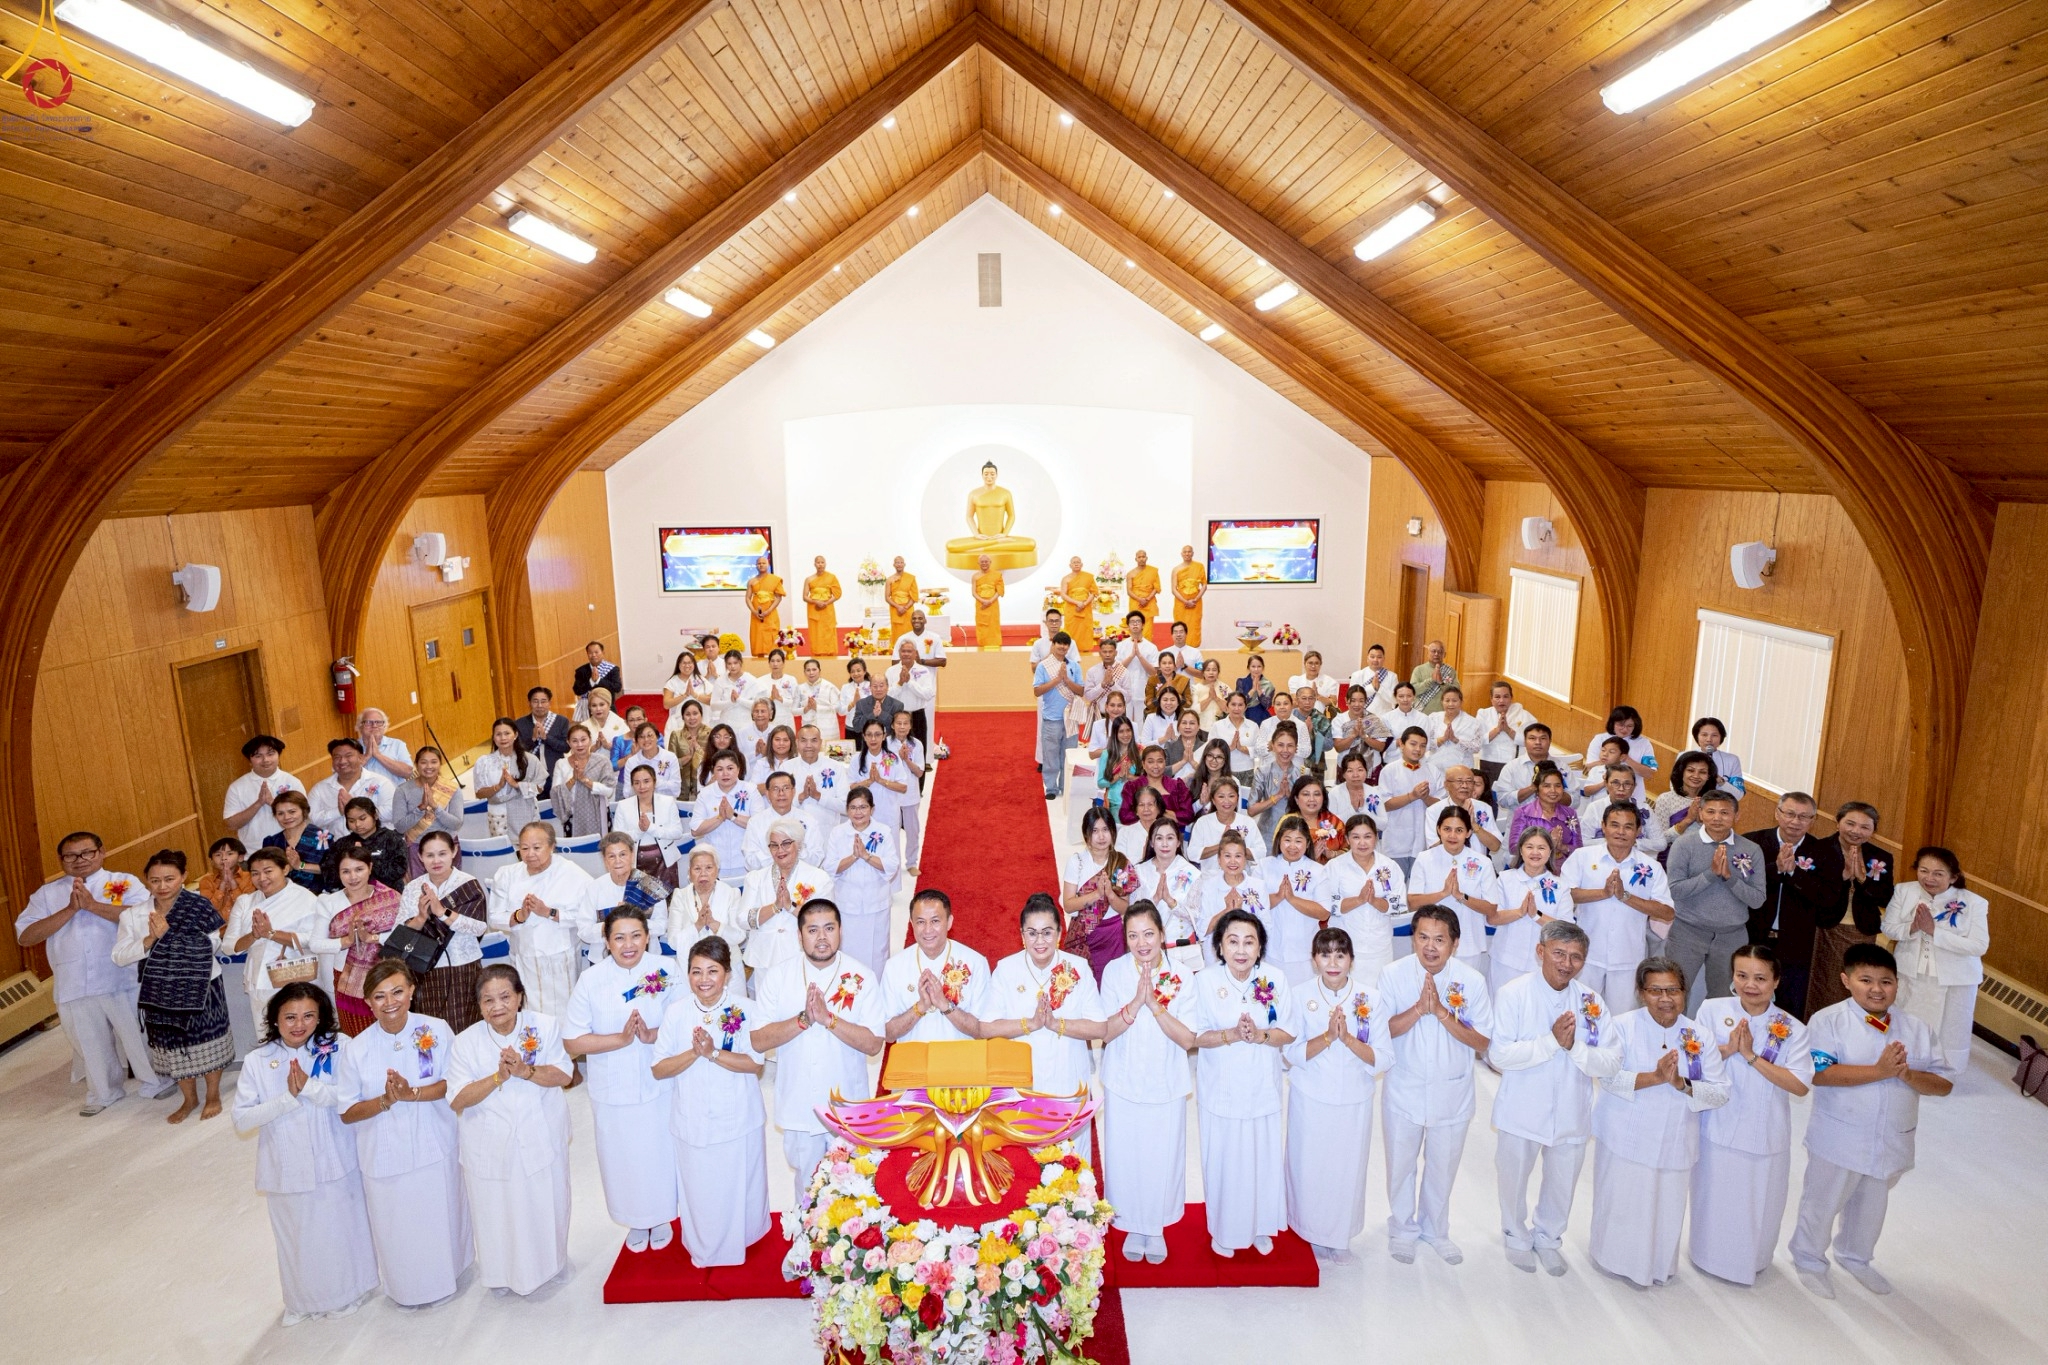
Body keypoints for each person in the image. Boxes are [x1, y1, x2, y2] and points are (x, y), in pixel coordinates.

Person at [1788, 943, 1952, 1299]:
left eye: (1886, 981)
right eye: (1866, 980)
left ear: (1898, 984)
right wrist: (1879, 1071)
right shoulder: (1827, 1020)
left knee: (1872, 1203)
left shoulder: (1916, 1028)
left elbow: (1943, 1084)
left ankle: (1856, 1256)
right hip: (1839, 1135)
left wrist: (1907, 1076)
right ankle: (1809, 1258)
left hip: (1892, 1137)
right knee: (1823, 1200)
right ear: (1847, 980)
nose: (1877, 989)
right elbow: (1820, 1074)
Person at [233, 983, 379, 1325]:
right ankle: (302, 1301)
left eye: (309, 1016)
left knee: (340, 1230)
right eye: (290, 1017)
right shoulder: (258, 1060)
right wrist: (288, 1098)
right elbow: (242, 1120)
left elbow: (349, 1097)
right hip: (285, 1167)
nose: (299, 1024)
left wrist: (310, 1088)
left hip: (334, 1158)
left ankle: (349, 1293)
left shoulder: (339, 1047)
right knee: (297, 1238)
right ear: (275, 1019)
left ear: (321, 1017)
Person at [1491, 920, 1623, 1275]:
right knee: (1513, 1177)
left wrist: (1574, 1047)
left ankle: (1549, 1238)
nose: (1566, 963)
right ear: (1540, 952)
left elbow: (1612, 1061)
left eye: (1576, 957)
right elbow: (1499, 1055)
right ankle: (1515, 1235)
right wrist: (1551, 1043)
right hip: (1522, 1106)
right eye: (1559, 953)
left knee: (1562, 1181)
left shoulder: (1591, 1002)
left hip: (1571, 1107)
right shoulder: (1513, 993)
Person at [1590, 956, 1731, 1287]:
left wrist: (1682, 1084)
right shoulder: (1621, 1026)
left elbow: (1720, 1093)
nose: (1666, 998)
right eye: (1656, 990)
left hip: (1675, 1140)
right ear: (1641, 992)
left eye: (1673, 990)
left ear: (1684, 992)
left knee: (1665, 1209)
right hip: (1627, 1136)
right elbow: (1607, 1078)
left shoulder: (1700, 1035)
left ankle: (1656, 1266)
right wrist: (1655, 1077)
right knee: (1623, 1203)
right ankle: (1612, 1260)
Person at [337, 960, 469, 1308]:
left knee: (439, 1214)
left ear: (412, 990)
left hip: (433, 1141)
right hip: (384, 1153)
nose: (390, 1002)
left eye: (397, 991)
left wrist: (411, 1094)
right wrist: (385, 1100)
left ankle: (449, 1274)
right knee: (397, 1225)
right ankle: (407, 1287)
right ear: (367, 1003)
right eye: (379, 996)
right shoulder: (356, 1048)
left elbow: (451, 1083)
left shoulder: (437, 1029)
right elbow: (347, 1112)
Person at [1690, 943, 1814, 1285]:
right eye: (1742, 975)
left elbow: (1800, 1085)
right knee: (1713, 1196)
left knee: (1757, 1203)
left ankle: (1753, 1260)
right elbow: (1694, 1059)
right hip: (1718, 1124)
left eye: (1760, 978)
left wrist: (1750, 1056)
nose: (1750, 985)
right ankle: (1706, 1256)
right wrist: (1729, 1048)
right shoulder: (1712, 1010)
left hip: (1764, 1131)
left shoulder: (1792, 1028)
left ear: (1776, 981)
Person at [448, 964, 573, 1297]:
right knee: (496, 1211)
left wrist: (525, 1070)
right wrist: (498, 1078)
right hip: (489, 1143)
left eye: (505, 996)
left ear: (520, 997)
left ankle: (551, 1265)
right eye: (488, 1000)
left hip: (540, 1132)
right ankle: (501, 1274)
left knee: (544, 1202)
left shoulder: (544, 1026)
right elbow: (457, 1099)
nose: (497, 1006)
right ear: (479, 1006)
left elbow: (564, 1075)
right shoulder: (464, 1042)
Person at [1378, 906, 1494, 1264]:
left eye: (1439, 939)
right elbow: (1381, 1031)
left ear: (1455, 944)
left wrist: (1442, 1012)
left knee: (1443, 1164)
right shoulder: (1393, 974)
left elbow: (1482, 1042)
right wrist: (1418, 1009)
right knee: (1401, 1163)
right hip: (1404, 1086)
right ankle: (1402, 1228)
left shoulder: (1471, 980)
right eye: (1423, 937)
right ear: (1413, 939)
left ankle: (1435, 1229)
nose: (1430, 947)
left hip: (1452, 1090)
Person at [565, 906, 679, 1255]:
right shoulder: (592, 979)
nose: (628, 944)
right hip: (611, 1084)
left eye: (635, 936)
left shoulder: (665, 969)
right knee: (621, 1154)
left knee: (658, 1149)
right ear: (606, 941)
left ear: (647, 936)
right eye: (619, 937)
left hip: (657, 1078)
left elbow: (685, 1023)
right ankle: (634, 1217)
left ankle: (661, 1214)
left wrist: (650, 1035)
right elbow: (572, 1041)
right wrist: (619, 1039)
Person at [651, 935, 769, 1264]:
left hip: (738, 1115)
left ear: (728, 974)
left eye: (712, 971)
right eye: (696, 971)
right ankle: (703, 1243)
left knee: (737, 1183)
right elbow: (659, 1069)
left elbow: (755, 1064)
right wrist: (695, 1052)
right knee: (700, 1187)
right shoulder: (675, 1013)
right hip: (691, 1118)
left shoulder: (746, 1010)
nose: (704, 980)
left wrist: (713, 1053)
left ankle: (744, 1238)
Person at [749, 900, 886, 1183]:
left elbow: (874, 1044)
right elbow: (758, 1040)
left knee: (852, 1192)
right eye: (812, 930)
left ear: (840, 931)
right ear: (799, 936)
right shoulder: (778, 976)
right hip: (799, 1105)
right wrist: (803, 1020)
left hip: (848, 1106)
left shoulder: (863, 976)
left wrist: (829, 1020)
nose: (821, 938)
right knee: (807, 1188)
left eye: (829, 928)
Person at [1190, 909, 1298, 1257]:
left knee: (1261, 1159)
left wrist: (1261, 1034)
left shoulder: (1275, 978)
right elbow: (1196, 1036)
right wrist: (1233, 1034)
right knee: (1225, 1160)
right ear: (1219, 947)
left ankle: (1260, 1224)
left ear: (1260, 947)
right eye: (1232, 941)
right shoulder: (1205, 981)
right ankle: (1224, 1230)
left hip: (1261, 1089)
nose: (1241, 949)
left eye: (1249, 942)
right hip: (1220, 1090)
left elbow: (1289, 1031)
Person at [1099, 902, 1199, 1262]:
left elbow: (1188, 1039)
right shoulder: (1114, 972)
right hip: (1123, 1077)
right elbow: (1106, 1031)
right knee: (1126, 1155)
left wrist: (1154, 1004)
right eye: (1133, 935)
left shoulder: (1183, 977)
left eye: (1148, 934)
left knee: (1161, 1156)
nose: (1141, 943)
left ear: (1161, 934)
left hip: (1165, 1079)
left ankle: (1154, 1227)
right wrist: (1134, 1003)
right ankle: (1130, 1223)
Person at [1286, 926, 1388, 1262]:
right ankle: (1308, 1230)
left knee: (1347, 1169)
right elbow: (1291, 1054)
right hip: (1311, 1097)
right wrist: (1329, 1037)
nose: (1333, 962)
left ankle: (1339, 1234)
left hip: (1353, 1100)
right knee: (1310, 1167)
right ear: (1314, 960)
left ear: (1352, 961)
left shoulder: (1369, 999)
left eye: (1340, 955)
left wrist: (1347, 1040)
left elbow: (1385, 1057)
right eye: (1325, 954)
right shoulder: (1299, 995)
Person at [982, 895, 1108, 1155]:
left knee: (1071, 1171)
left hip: (1069, 1085)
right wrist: (1031, 1023)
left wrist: (1055, 1023)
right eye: (1032, 933)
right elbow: (987, 1028)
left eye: (1047, 932)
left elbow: (1099, 1028)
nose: (1040, 941)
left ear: (1060, 933)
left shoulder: (1078, 968)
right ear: (1022, 935)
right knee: (1026, 1171)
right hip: (1023, 1088)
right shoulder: (1006, 969)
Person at [114, 849, 233, 1123]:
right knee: (172, 1046)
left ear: (183, 877)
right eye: (155, 880)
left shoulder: (199, 906)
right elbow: (119, 956)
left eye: (169, 879)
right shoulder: (133, 916)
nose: (162, 886)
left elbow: (214, 943)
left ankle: (212, 1094)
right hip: (160, 990)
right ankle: (189, 1098)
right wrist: (149, 940)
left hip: (202, 984)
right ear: (146, 881)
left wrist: (170, 938)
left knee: (208, 1039)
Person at [1880, 846, 1988, 1074]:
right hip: (1912, 971)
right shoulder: (1903, 891)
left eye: (1938, 874)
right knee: (1911, 1023)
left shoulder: (1974, 902)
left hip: (1955, 977)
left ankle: (1944, 1073)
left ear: (1953, 877)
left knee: (1951, 1028)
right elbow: (1888, 927)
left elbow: (1979, 946)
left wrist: (1934, 932)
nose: (1929, 878)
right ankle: (1905, 1067)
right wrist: (1912, 927)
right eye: (1923, 871)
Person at [1565, 804, 1674, 1006]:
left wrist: (1625, 896)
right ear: (1603, 827)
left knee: (1622, 1023)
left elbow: (1667, 912)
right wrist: (1603, 893)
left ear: (1638, 831)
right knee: (1582, 1018)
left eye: (1628, 827)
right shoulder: (1582, 857)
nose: (1621, 832)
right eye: (1614, 825)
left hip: (1628, 958)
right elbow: (1565, 895)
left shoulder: (1651, 866)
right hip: (1586, 957)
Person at [1666, 791, 1769, 1002]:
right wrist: (1710, 875)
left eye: (1724, 812)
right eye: (1711, 811)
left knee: (1724, 1000)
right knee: (1676, 993)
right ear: (1700, 814)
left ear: (1736, 816)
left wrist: (1730, 878)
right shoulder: (1684, 845)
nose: (1717, 818)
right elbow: (1675, 890)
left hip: (1732, 936)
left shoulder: (1751, 849)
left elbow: (1757, 899)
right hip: (1687, 932)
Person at [1747, 791, 1840, 1017]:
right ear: (1777, 813)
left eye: (1803, 817)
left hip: (1796, 942)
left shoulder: (1825, 852)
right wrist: (1776, 869)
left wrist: (1794, 874)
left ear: (1813, 821)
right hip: (1754, 933)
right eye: (1789, 814)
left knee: (1790, 1006)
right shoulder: (1753, 842)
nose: (1795, 821)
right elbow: (1743, 882)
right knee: (1749, 996)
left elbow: (1827, 898)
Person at [487, 822, 595, 1017]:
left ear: (552, 846)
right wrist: (520, 916)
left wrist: (549, 912)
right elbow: (494, 917)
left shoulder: (572, 874)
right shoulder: (507, 874)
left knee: (564, 1013)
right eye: (524, 848)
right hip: (523, 957)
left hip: (560, 957)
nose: (530, 854)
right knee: (530, 1014)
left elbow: (586, 916)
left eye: (537, 848)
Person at [227, 847, 334, 1037]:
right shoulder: (245, 902)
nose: (262, 878)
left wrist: (271, 933)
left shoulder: (305, 898)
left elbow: (314, 939)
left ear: (285, 869)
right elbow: (229, 947)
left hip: (298, 979)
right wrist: (255, 935)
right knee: (268, 1039)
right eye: (255, 873)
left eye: (268, 871)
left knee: (306, 1036)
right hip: (261, 983)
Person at [391, 831, 487, 1033]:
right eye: (429, 855)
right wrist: (420, 917)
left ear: (454, 852)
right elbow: (398, 934)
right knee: (430, 1031)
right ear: (420, 857)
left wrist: (443, 913)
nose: (436, 861)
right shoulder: (413, 887)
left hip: (463, 967)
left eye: (442, 853)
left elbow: (479, 927)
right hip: (424, 969)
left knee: (464, 1028)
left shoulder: (468, 884)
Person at [1810, 801, 1894, 1015]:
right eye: (1850, 823)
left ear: (1873, 831)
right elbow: (1814, 894)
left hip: (1862, 930)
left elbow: (1886, 898)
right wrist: (1843, 878)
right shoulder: (1819, 849)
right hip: (1827, 928)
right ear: (1837, 822)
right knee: (1826, 985)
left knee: (1860, 986)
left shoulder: (1881, 857)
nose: (1856, 831)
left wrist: (1863, 879)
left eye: (1865, 827)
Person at [882, 889, 992, 1042]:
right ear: (912, 924)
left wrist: (945, 1005)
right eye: (921, 922)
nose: (927, 930)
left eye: (935, 921)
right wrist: (920, 1007)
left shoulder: (975, 963)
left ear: (949, 922)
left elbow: (982, 1031)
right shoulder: (894, 967)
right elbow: (887, 1034)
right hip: (913, 1061)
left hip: (961, 1060)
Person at [739, 815, 836, 975]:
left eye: (786, 844)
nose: (780, 850)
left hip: (802, 955)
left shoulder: (818, 877)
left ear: (798, 845)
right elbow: (743, 920)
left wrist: (790, 907)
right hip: (764, 958)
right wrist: (775, 907)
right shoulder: (756, 877)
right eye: (774, 845)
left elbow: (824, 920)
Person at [322, 845, 403, 1035]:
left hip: (387, 973)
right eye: (346, 871)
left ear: (370, 867)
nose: (353, 877)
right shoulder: (328, 901)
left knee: (390, 1030)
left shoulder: (391, 897)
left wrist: (371, 938)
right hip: (345, 977)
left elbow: (403, 935)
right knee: (355, 1035)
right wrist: (347, 941)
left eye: (359, 869)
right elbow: (317, 943)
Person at [1323, 814, 1405, 985]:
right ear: (1346, 839)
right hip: (1344, 947)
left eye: (1367, 836)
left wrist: (1374, 900)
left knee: (1378, 996)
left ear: (1376, 837)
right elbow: (1328, 906)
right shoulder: (1335, 867)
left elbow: (1398, 906)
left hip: (1379, 946)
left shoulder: (1389, 866)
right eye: (1356, 837)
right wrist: (1359, 900)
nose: (1362, 843)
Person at [1491, 827, 1570, 999]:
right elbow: (1492, 918)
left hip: (1542, 965)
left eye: (1541, 848)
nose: (1535, 852)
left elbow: (1566, 929)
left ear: (1550, 851)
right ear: (1520, 850)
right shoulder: (1505, 878)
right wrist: (1520, 912)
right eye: (1529, 847)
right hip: (1505, 960)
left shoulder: (1561, 886)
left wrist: (1536, 916)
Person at [1062, 807, 1138, 980]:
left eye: (1105, 830)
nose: (1101, 836)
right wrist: (1096, 894)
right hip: (1083, 934)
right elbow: (1068, 905)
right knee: (1081, 983)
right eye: (1095, 831)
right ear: (1086, 835)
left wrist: (1110, 895)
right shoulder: (1077, 862)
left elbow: (1125, 908)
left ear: (1112, 832)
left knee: (1111, 983)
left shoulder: (1121, 863)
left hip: (1112, 935)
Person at [1261, 815, 1329, 985]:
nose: (1292, 846)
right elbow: (1254, 906)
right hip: (1270, 950)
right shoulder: (1264, 866)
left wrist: (1292, 898)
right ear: (1278, 841)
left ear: (1307, 843)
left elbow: (1323, 912)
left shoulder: (1317, 870)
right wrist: (1277, 897)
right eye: (1287, 840)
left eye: (1298, 841)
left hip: (1304, 952)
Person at [391, 745, 462, 878]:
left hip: (446, 846)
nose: (429, 766)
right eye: (423, 762)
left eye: (434, 762)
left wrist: (435, 807)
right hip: (417, 847)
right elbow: (400, 827)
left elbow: (456, 824)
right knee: (422, 891)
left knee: (451, 889)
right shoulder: (403, 790)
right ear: (416, 765)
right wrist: (420, 809)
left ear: (440, 764)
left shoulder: (452, 788)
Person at [223, 734, 306, 847]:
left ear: (278, 755)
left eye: (270, 754)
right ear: (249, 760)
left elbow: (304, 817)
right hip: (254, 853)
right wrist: (259, 803)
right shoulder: (237, 787)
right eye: (258, 756)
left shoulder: (292, 782)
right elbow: (231, 824)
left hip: (291, 850)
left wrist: (273, 803)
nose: (265, 760)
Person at [613, 763, 686, 889]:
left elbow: (677, 832)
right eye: (636, 783)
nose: (642, 787)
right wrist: (640, 830)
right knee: (639, 906)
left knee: (669, 903)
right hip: (636, 863)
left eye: (646, 781)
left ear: (654, 782)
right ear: (632, 785)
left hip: (665, 862)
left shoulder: (668, 802)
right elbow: (618, 838)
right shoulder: (623, 806)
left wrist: (651, 828)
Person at [1373, 728, 1435, 875]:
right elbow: (1385, 805)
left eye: (1422, 745)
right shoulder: (1389, 770)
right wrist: (1412, 796)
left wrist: (1425, 798)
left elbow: (1440, 805)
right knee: (1394, 888)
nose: (1418, 749)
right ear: (1401, 744)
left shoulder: (1432, 771)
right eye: (1413, 744)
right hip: (1396, 841)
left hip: (1423, 843)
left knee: (1418, 890)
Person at [667, 846, 744, 960]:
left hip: (727, 966)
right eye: (697, 869)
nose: (703, 873)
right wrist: (698, 925)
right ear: (689, 872)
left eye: (708, 868)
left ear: (717, 871)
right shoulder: (680, 896)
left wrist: (713, 924)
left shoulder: (732, 894)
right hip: (691, 967)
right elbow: (673, 942)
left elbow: (739, 936)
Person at [1033, 631, 1084, 801]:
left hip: (1070, 718)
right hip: (1052, 718)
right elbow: (1037, 690)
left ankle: (1065, 785)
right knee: (1051, 755)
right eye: (1059, 643)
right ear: (1053, 645)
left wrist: (1066, 680)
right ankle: (1051, 787)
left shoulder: (1074, 666)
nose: (1062, 647)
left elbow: (1081, 691)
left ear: (1068, 647)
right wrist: (1056, 680)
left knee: (1068, 753)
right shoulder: (1043, 666)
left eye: (1065, 644)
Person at [474, 718, 544, 841]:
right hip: (498, 816)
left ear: (515, 735)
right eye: (498, 734)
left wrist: (517, 785)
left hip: (525, 812)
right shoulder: (484, 762)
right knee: (505, 855)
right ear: (494, 738)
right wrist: (498, 786)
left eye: (507, 733)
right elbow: (479, 793)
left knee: (529, 850)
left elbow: (539, 788)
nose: (503, 738)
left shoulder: (529, 759)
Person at [691, 751, 755, 885]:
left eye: (730, 768)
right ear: (713, 771)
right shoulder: (705, 794)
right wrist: (720, 818)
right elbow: (695, 830)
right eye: (720, 769)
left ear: (738, 769)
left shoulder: (751, 790)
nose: (725, 773)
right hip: (715, 864)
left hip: (745, 862)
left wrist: (733, 816)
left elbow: (759, 824)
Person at [1578, 762, 1666, 856]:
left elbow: (1661, 843)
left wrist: (1634, 842)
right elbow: (1582, 841)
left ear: (1634, 787)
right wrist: (1611, 841)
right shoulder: (1595, 808)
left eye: (1627, 784)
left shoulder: (1644, 808)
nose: (1621, 788)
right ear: (1606, 784)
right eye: (1615, 783)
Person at [309, 737, 391, 837]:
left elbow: (393, 812)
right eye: (337, 757)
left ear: (360, 758)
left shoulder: (380, 782)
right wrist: (338, 812)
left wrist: (357, 809)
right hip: (339, 847)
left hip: (379, 842)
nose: (342, 761)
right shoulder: (320, 789)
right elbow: (311, 821)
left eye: (348, 756)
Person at [322, 797, 406, 893]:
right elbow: (328, 877)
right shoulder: (342, 844)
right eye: (351, 821)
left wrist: (365, 859)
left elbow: (399, 870)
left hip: (388, 896)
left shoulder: (392, 838)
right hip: (352, 898)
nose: (357, 824)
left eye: (362, 818)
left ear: (375, 815)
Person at [1506, 763, 1581, 869]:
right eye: (1546, 786)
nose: (1553, 790)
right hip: (1531, 867)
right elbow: (1513, 847)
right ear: (1537, 789)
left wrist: (1562, 847)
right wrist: (1548, 842)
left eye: (1558, 786)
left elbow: (1578, 848)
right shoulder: (1523, 813)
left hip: (1564, 868)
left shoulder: (1570, 814)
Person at [549, 722, 612, 840]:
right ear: (568, 742)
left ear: (590, 740)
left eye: (583, 740)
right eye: (574, 741)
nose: (580, 744)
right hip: (572, 815)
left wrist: (585, 780)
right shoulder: (561, 764)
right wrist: (573, 779)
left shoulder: (602, 761)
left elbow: (609, 790)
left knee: (601, 851)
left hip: (598, 814)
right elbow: (555, 793)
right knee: (576, 853)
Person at [882, 706, 927, 872]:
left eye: (905, 723)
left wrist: (906, 759)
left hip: (910, 795)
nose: (902, 727)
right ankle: (893, 862)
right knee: (891, 830)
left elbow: (920, 771)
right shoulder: (885, 743)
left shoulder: (917, 744)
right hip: (891, 794)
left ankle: (912, 863)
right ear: (892, 725)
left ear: (910, 726)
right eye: (898, 723)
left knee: (912, 830)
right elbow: (884, 767)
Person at [1494, 722, 1578, 811]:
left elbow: (1575, 801)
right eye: (1532, 738)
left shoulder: (1561, 767)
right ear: (1525, 742)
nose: (1538, 742)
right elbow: (1502, 800)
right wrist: (1533, 787)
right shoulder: (1511, 767)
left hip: (1555, 822)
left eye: (1543, 738)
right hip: (1521, 823)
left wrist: (1554, 792)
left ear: (1550, 741)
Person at [1188, 777, 1267, 871]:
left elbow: (1261, 852)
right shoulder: (1203, 822)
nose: (1227, 801)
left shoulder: (1248, 822)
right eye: (1221, 796)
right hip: (1210, 879)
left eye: (1231, 796)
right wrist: (1221, 845)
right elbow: (1192, 854)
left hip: (1240, 879)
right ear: (1213, 800)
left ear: (1237, 798)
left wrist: (1236, 847)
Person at [1423, 765, 1501, 859]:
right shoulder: (1434, 810)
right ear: (1446, 785)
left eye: (1469, 781)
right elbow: (1433, 848)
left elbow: (1495, 846)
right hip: (1446, 864)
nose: (1464, 786)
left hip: (1477, 867)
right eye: (1459, 781)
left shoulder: (1483, 808)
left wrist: (1474, 825)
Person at [1247, 724, 1304, 847]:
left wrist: (1290, 795)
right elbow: (1251, 810)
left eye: (1290, 746)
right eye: (1280, 745)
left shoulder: (1303, 774)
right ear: (1272, 746)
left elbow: (1310, 811)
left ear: (1296, 748)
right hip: (1267, 835)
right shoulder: (1263, 772)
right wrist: (1277, 797)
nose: (1285, 750)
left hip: (1296, 836)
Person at [1649, 750, 1717, 852]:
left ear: (1709, 776)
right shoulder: (1666, 799)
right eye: (1690, 770)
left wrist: (1702, 824)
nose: (1696, 776)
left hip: (1703, 857)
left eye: (1702, 772)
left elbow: (1719, 838)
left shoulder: (1714, 802)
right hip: (1671, 858)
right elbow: (1659, 841)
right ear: (1681, 772)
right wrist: (1688, 820)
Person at [1471, 682, 1532, 790]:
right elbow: (1476, 742)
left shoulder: (1524, 715)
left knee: (1512, 796)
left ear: (1511, 697)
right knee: (1490, 796)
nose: (1501, 701)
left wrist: (1508, 730)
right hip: (1489, 762)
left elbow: (1530, 742)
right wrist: (1497, 730)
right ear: (1491, 699)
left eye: (1505, 696)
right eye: (1497, 697)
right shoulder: (1483, 714)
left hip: (1514, 762)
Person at [515, 687, 571, 796]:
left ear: (549, 703)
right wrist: (533, 739)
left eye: (543, 701)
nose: (539, 705)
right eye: (535, 701)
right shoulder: (520, 723)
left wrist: (546, 738)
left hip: (554, 771)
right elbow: (518, 750)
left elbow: (566, 747)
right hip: (531, 773)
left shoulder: (561, 721)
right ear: (529, 703)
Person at [1424, 687, 1482, 776]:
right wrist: (1442, 739)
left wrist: (1456, 740)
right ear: (1442, 702)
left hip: (1461, 770)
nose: (1450, 704)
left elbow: (1476, 747)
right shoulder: (1433, 718)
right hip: (1435, 768)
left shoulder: (1472, 722)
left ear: (1461, 702)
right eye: (1447, 701)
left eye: (1454, 701)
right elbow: (1425, 743)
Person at [621, 722, 685, 800]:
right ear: (636, 741)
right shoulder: (632, 762)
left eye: (650, 735)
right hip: (640, 805)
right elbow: (627, 793)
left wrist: (650, 783)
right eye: (641, 737)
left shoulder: (670, 757)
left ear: (657, 737)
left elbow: (676, 789)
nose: (646, 740)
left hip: (666, 804)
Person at [355, 709, 414, 786]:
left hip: (394, 795)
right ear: (360, 726)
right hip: (363, 796)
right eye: (368, 722)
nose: (374, 726)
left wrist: (378, 755)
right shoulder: (352, 747)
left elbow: (408, 773)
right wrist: (366, 757)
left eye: (378, 722)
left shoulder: (397, 744)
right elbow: (344, 776)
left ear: (384, 726)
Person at [1691, 716, 1746, 797]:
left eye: (1714, 735)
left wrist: (1720, 781)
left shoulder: (1732, 760)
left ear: (1721, 737)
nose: (1709, 739)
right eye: (1704, 735)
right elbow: (1675, 787)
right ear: (1697, 736)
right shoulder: (1685, 757)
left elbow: (1738, 795)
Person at [1292, 777, 1344, 861]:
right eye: (1306, 794)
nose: (1312, 799)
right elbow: (1281, 856)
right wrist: (1311, 857)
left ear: (1323, 798)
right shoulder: (1289, 822)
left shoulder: (1333, 821)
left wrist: (1333, 854)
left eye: (1317, 794)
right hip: (1299, 873)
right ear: (1296, 799)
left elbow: (1351, 851)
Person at [198, 836, 253, 915]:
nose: (223, 858)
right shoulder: (206, 881)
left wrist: (232, 882)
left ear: (240, 857)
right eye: (218, 855)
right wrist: (222, 884)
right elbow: (209, 911)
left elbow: (246, 907)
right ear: (211, 861)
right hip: (219, 927)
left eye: (229, 854)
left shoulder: (249, 877)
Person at [799, 555, 842, 656]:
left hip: (827, 608)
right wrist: (816, 602)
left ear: (825, 564)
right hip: (814, 609)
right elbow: (805, 597)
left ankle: (830, 653)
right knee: (816, 632)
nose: (820, 564)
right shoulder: (809, 579)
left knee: (828, 630)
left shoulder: (831, 577)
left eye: (822, 562)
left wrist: (826, 602)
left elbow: (837, 594)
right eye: (818, 562)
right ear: (814, 564)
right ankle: (817, 653)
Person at [574, 641, 626, 717]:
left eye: (596, 652)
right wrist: (591, 681)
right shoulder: (581, 671)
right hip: (589, 709)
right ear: (587, 654)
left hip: (608, 707)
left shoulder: (612, 669)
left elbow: (617, 688)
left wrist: (599, 680)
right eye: (590, 653)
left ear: (603, 653)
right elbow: (577, 690)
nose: (593, 655)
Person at [1059, 555, 1099, 653]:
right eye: (1074, 562)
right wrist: (1077, 603)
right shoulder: (1066, 578)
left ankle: (1085, 649)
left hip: (1085, 607)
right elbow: (1063, 594)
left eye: (1078, 562)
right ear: (1070, 565)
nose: (1076, 564)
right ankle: (1070, 650)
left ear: (1082, 564)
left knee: (1085, 629)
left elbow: (1094, 592)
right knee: (1071, 629)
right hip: (1072, 608)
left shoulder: (1088, 577)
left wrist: (1084, 604)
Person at [1171, 543, 1206, 646]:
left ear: (1193, 553)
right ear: (1181, 554)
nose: (1187, 554)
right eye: (1185, 552)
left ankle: (1194, 648)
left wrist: (1195, 599)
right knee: (1180, 625)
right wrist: (1185, 601)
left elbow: (1204, 585)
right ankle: (1180, 647)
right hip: (1181, 603)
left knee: (1194, 625)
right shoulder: (1176, 569)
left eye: (1189, 551)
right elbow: (1173, 589)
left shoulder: (1199, 566)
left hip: (1196, 602)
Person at [662, 650, 715, 720]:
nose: (687, 666)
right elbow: (666, 704)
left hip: (700, 720)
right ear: (678, 665)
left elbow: (712, 700)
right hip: (679, 720)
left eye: (690, 663)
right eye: (684, 663)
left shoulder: (701, 679)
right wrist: (684, 696)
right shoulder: (672, 682)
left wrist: (695, 695)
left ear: (694, 664)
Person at [1410, 640, 1458, 714]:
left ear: (1444, 654)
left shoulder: (1450, 671)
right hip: (1422, 713)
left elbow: (1457, 693)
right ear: (1427, 653)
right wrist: (1431, 680)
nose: (1436, 654)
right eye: (1433, 651)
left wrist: (1441, 683)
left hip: (1443, 714)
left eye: (1440, 652)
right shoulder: (1419, 670)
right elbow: (1413, 691)